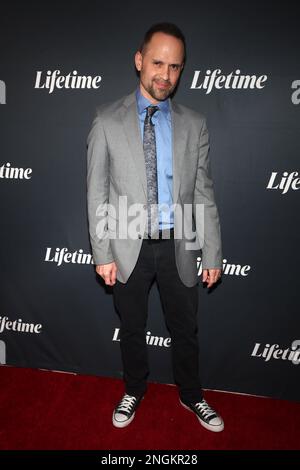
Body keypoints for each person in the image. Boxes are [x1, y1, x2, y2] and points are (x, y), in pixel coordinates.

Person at [87, 22, 224, 432]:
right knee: (132, 328)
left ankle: (191, 394)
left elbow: (204, 192)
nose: (166, 74)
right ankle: (134, 389)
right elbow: (96, 193)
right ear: (139, 60)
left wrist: (212, 251)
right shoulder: (106, 120)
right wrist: (103, 253)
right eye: (158, 63)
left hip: (179, 244)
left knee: (185, 328)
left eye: (176, 67)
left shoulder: (194, 123)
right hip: (128, 244)